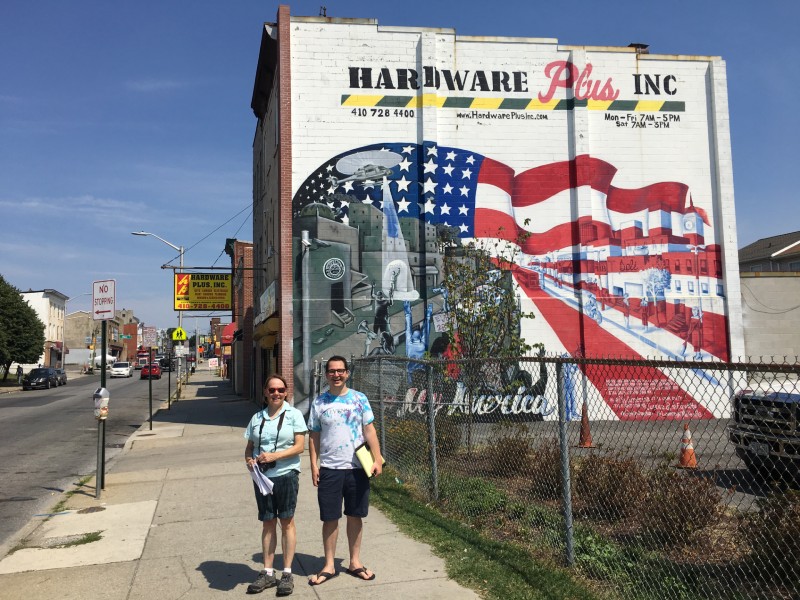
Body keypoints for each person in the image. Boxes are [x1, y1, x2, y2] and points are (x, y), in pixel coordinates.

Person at [307, 356, 383, 586]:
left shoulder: (360, 399)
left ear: (347, 373)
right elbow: (314, 436)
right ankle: (329, 565)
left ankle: (355, 562)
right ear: (327, 374)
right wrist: (313, 464)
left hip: (357, 468)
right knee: (330, 518)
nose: (336, 375)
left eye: (341, 371)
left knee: (355, 515)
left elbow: (369, 430)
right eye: (332, 371)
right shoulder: (319, 403)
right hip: (330, 469)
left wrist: (377, 458)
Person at [243, 374, 307, 596]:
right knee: (268, 522)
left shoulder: (294, 415)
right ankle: (268, 573)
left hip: (286, 474)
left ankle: (287, 573)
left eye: (280, 389)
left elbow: (300, 447)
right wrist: (250, 461)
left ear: (286, 392)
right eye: (272, 390)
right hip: (262, 478)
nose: (276, 393)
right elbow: (249, 447)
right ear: (265, 392)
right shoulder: (257, 418)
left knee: (286, 521)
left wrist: (275, 456)